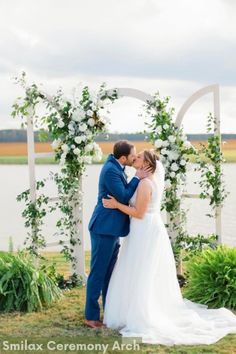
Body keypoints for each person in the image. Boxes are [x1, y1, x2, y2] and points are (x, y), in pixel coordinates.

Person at [102, 149, 236, 346]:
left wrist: (115, 205)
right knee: (138, 269)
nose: (135, 158)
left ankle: (142, 312)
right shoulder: (144, 181)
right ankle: (131, 308)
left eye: (139, 157)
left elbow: (138, 213)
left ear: (147, 164)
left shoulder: (146, 184)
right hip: (142, 229)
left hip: (145, 229)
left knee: (142, 271)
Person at [84, 140, 151, 328]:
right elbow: (122, 196)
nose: (135, 157)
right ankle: (90, 316)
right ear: (123, 158)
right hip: (103, 228)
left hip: (112, 229)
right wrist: (137, 178)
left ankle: (109, 312)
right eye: (133, 155)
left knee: (109, 274)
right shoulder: (111, 170)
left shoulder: (117, 167)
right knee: (98, 273)